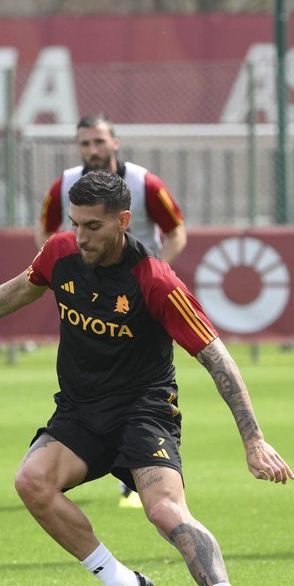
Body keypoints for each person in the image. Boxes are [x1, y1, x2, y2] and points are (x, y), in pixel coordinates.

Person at [0, 170, 294, 586]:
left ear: (123, 221)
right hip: (80, 411)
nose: (82, 236)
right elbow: (22, 289)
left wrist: (254, 440)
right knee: (32, 482)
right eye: (76, 224)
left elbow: (217, 358)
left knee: (165, 512)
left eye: (93, 226)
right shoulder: (61, 254)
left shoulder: (154, 280)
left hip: (145, 411)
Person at [37, 113, 190, 509]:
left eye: (99, 142)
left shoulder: (143, 183)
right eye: (85, 144)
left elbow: (176, 230)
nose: (92, 150)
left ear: (114, 143)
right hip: (91, 293)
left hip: (139, 296)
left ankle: (141, 471)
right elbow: (46, 230)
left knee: (144, 378)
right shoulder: (65, 185)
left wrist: (156, 272)